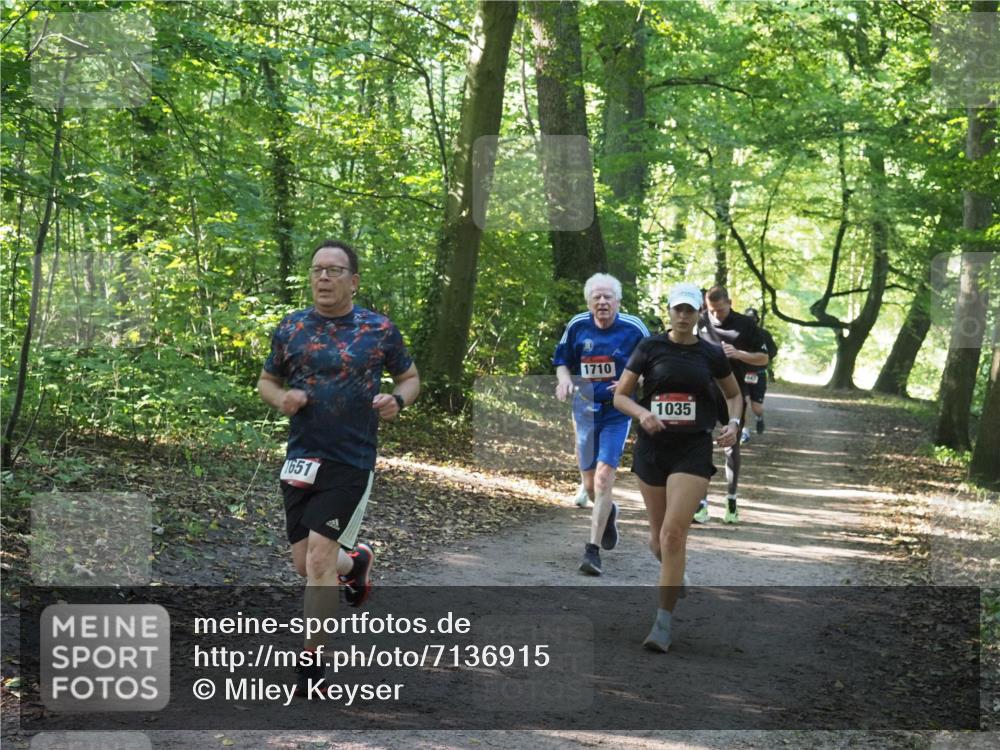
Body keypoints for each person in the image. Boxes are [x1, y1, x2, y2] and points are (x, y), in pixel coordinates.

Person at [257, 240, 420, 695]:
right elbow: (266, 381)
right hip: (300, 458)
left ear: (354, 280)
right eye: (317, 270)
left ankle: (311, 664)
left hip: (351, 458)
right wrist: (281, 398)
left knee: (318, 559)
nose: (324, 277)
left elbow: (410, 378)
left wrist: (398, 399)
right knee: (304, 564)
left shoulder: (378, 329)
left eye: (334, 270)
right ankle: (357, 562)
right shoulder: (291, 328)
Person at [613, 282, 742, 652]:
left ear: (699, 313)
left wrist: (734, 424)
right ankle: (675, 572)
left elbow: (734, 395)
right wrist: (642, 414)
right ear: (669, 312)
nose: (683, 316)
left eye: (690, 310)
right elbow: (621, 396)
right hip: (653, 449)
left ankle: (662, 625)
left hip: (692, 449)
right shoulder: (649, 347)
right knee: (657, 541)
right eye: (678, 309)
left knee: (672, 535)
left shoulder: (711, 353)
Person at [554, 273, 649, 576]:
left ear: (618, 301)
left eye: (608, 297)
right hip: (584, 410)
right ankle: (609, 511)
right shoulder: (577, 325)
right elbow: (561, 360)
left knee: (604, 478)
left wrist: (632, 381)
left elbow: (654, 365)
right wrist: (564, 381)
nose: (603, 302)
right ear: (589, 302)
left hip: (617, 411)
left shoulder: (634, 328)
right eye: (597, 297)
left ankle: (592, 551)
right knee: (589, 484)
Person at [697, 286, 769, 524]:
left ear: (730, 303)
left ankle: (731, 502)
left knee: (731, 445)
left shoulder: (745, 325)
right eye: (711, 310)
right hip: (705, 392)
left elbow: (763, 358)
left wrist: (738, 354)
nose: (715, 315)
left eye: (720, 309)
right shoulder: (700, 320)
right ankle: (701, 504)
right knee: (701, 446)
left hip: (733, 393)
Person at [742, 307, 778, 438]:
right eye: (747, 319)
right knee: (742, 402)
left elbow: (772, 351)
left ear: (756, 320)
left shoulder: (764, 334)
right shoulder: (738, 334)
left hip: (759, 373)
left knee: (756, 407)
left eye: (752, 319)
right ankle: (744, 430)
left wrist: (762, 360)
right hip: (741, 373)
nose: (750, 321)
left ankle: (759, 417)